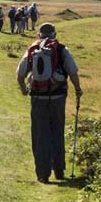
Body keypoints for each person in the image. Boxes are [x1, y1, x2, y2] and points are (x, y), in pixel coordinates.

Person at [16, 23, 83, 184]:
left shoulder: (32, 50)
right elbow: (73, 71)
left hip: (38, 98)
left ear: (39, 34)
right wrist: (78, 89)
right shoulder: (61, 49)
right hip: (58, 98)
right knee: (57, 132)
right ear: (54, 34)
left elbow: (20, 74)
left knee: (40, 135)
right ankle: (59, 171)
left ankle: (42, 174)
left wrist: (24, 90)